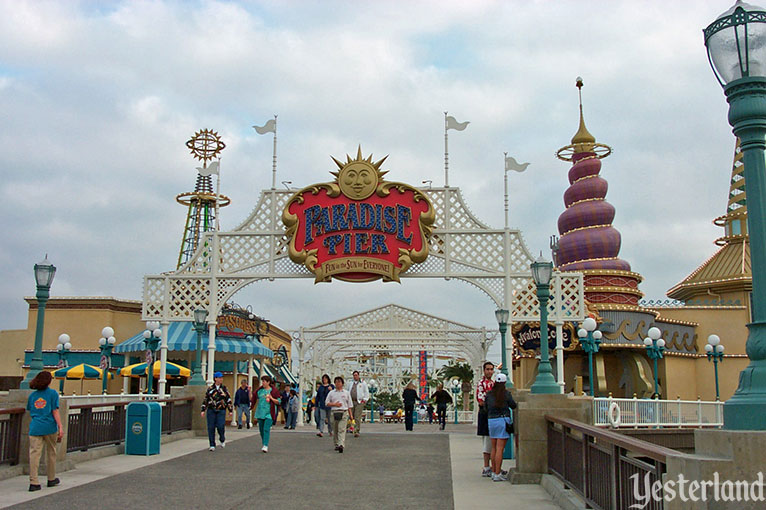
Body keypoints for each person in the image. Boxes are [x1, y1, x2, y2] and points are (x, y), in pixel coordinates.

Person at [26, 371, 63, 492]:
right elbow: (55, 411)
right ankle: (51, 478)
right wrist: (60, 427)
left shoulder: (32, 396)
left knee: (34, 455)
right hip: (49, 426)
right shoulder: (53, 394)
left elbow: (30, 410)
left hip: (35, 427)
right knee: (51, 452)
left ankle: (34, 481)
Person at [486, 373, 517, 482]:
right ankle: (498, 473)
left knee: (493, 447)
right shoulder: (506, 394)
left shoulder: (489, 394)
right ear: (504, 383)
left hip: (491, 421)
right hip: (502, 420)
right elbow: (513, 405)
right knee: (500, 448)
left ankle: (494, 472)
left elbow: (486, 407)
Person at [200, 371, 233, 451]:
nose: (221, 379)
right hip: (211, 409)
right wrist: (203, 409)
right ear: (215, 379)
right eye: (219, 378)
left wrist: (230, 410)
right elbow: (206, 399)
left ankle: (222, 438)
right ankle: (212, 444)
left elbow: (228, 399)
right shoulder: (210, 389)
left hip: (221, 409)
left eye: (222, 378)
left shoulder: (224, 389)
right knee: (211, 427)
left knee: (220, 425)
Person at [325, 376, 354, 453]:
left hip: (344, 412)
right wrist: (334, 404)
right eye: (336, 382)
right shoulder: (331, 393)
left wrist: (351, 415)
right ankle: (336, 444)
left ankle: (341, 444)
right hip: (334, 412)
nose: (338, 383)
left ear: (342, 383)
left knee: (342, 429)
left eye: (339, 382)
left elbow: (349, 405)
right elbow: (327, 403)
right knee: (335, 430)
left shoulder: (346, 393)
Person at [476, 361, 495, 477]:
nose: (490, 371)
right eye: (487, 369)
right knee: (487, 441)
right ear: (484, 370)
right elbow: (481, 400)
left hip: (493, 413)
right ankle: (486, 466)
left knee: (493, 441)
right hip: (485, 414)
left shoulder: (494, 384)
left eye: (491, 369)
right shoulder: (481, 384)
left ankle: (494, 467)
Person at [252, 375, 279, 452]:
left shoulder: (274, 391)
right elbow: (253, 398)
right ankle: (264, 442)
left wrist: (272, 398)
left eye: (264, 381)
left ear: (268, 382)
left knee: (266, 429)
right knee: (261, 429)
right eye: (262, 381)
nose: (263, 383)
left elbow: (279, 401)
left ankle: (265, 445)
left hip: (269, 412)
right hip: (261, 412)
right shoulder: (259, 391)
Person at [348, 370, 369, 437]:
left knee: (357, 416)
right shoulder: (350, 383)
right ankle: (351, 428)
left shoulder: (363, 383)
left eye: (356, 375)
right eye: (354, 375)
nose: (355, 376)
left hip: (359, 402)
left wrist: (365, 400)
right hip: (351, 401)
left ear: (358, 375)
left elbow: (366, 392)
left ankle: (357, 430)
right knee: (351, 416)